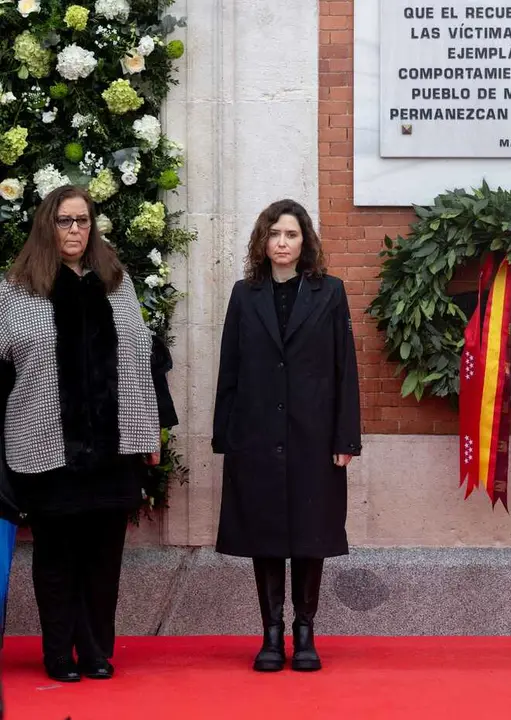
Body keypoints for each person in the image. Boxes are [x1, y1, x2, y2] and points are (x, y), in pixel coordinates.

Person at [0, 185, 177, 683]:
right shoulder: (15, 289)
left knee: (103, 559)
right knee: (56, 558)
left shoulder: (117, 283)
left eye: (82, 221)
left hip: (112, 450)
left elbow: (143, 363)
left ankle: (96, 649)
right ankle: (59, 653)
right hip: (46, 447)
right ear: (46, 226)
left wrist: (151, 435)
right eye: (64, 221)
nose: (74, 230)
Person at [212, 199, 361, 673]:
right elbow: (229, 369)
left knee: (311, 533)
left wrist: (346, 439)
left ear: (305, 242)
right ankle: (271, 634)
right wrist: (226, 437)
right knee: (267, 534)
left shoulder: (330, 293)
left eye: (291, 234)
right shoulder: (244, 294)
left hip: (314, 436)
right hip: (255, 435)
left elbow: (345, 370)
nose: (282, 242)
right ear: (263, 240)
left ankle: (306, 632)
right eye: (274, 233)